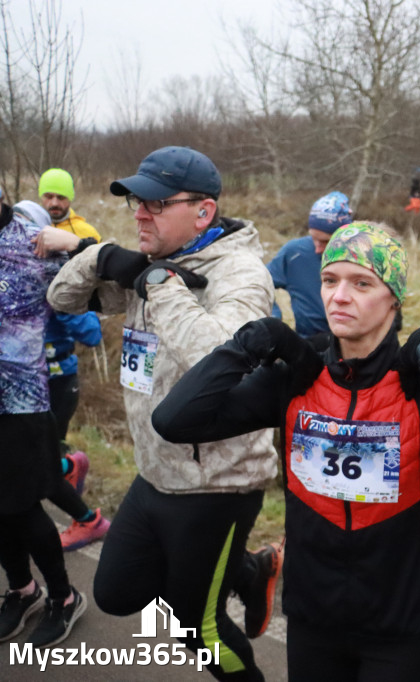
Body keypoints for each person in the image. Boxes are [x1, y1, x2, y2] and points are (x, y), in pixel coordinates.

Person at [151, 221, 420, 682]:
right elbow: (174, 420)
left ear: (394, 299)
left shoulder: (416, 382)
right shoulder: (297, 376)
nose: (340, 296)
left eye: (362, 283)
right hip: (312, 616)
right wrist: (247, 344)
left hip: (400, 622)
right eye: (329, 280)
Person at [46, 146, 281, 681]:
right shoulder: (147, 261)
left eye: (155, 203)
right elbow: (60, 298)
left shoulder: (241, 274)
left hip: (218, 485)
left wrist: (158, 284)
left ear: (203, 212)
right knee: (115, 591)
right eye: (136, 202)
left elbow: (220, 360)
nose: (140, 213)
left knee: (197, 629)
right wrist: (98, 257)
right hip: (155, 473)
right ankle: (251, 567)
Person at [0, 199, 87, 648]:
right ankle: (22, 589)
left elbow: (100, 285)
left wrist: (76, 245)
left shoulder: (33, 244)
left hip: (21, 404)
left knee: (20, 508)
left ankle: (64, 596)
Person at [13, 200, 110, 551]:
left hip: (55, 384)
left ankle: (90, 522)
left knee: (32, 468)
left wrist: (59, 303)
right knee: (29, 463)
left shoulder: (52, 273)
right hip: (23, 385)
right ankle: (69, 465)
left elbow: (92, 333)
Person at [267, 191, 352, 337]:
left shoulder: (363, 255)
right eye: (313, 238)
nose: (317, 249)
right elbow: (258, 283)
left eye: (326, 241)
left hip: (352, 343)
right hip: (308, 344)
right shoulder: (294, 253)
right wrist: (273, 317)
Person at [38, 168, 101, 242]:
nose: (54, 203)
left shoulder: (88, 233)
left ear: (70, 198)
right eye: (49, 197)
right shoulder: (29, 228)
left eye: (61, 197)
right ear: (41, 197)